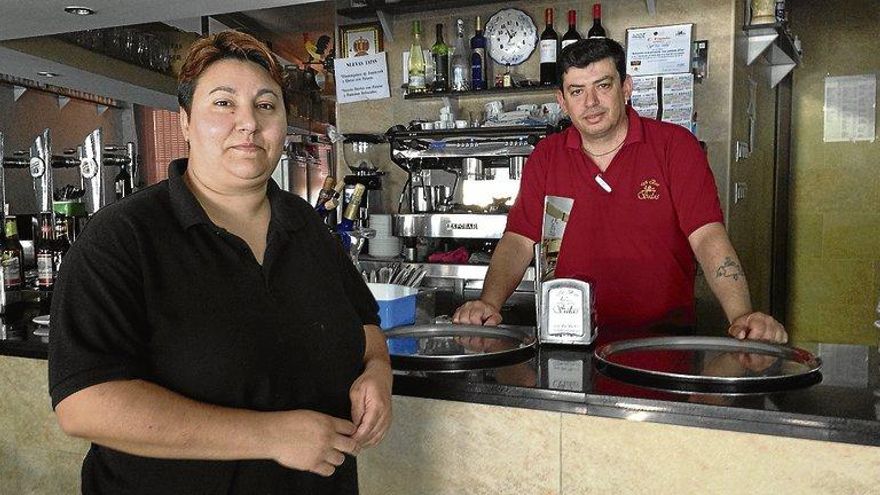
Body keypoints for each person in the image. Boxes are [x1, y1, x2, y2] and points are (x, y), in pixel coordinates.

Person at [48, 31, 392, 494]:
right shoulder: (123, 236)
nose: (248, 123)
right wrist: (270, 436)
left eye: (266, 105)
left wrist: (377, 372)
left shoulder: (305, 225)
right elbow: (85, 403)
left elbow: (364, 321)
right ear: (186, 123)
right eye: (224, 104)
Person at [453, 38, 787, 344]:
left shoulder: (675, 146)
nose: (591, 102)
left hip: (662, 342)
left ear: (625, 88)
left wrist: (741, 314)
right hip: (569, 338)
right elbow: (519, 239)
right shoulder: (547, 156)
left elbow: (707, 235)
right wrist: (489, 302)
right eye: (577, 91)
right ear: (562, 101)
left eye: (603, 85)